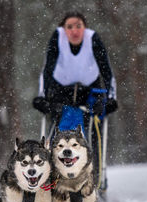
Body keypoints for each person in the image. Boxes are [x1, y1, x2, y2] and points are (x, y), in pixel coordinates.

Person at [33, 11, 118, 187]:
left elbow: (106, 70)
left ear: (84, 28)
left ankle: (95, 180)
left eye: (78, 26)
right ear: (64, 29)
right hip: (61, 91)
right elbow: (47, 68)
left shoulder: (92, 39)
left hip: (89, 92)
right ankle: (52, 179)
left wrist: (111, 98)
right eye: (69, 27)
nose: (74, 31)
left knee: (94, 133)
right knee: (56, 134)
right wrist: (42, 97)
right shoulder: (58, 38)